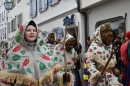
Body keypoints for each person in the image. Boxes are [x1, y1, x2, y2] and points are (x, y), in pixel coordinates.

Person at [0, 20, 64, 86]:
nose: (32, 32)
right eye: (28, 30)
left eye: (34, 30)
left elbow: (53, 70)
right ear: (23, 32)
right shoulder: (13, 52)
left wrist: (62, 77)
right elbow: (5, 79)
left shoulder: (44, 50)